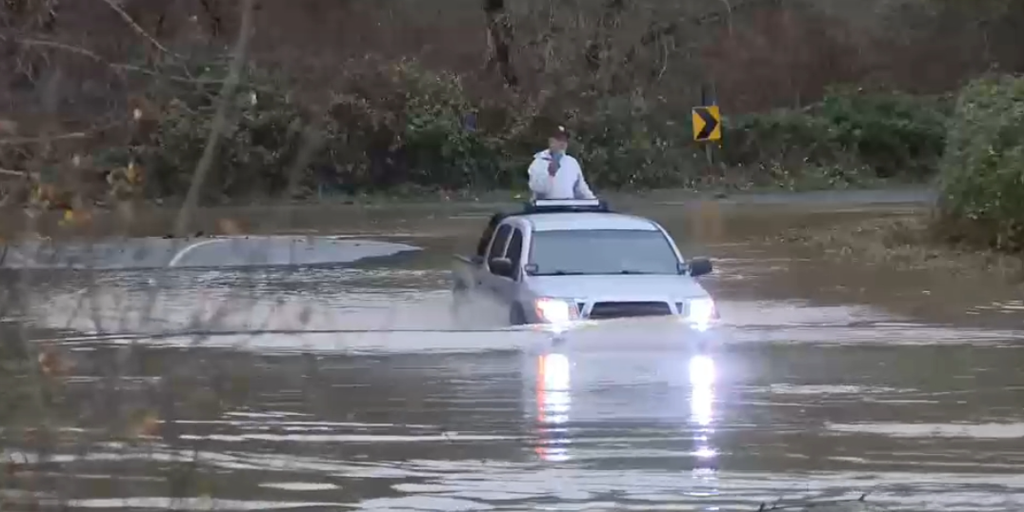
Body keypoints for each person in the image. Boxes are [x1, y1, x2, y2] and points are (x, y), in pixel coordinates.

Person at [527, 125, 595, 200]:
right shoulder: (538, 162)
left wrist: (594, 202)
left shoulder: (572, 162)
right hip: (546, 209)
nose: (562, 143)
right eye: (559, 140)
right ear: (551, 141)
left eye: (565, 140)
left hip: (568, 208)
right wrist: (550, 175)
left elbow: (582, 189)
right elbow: (537, 189)